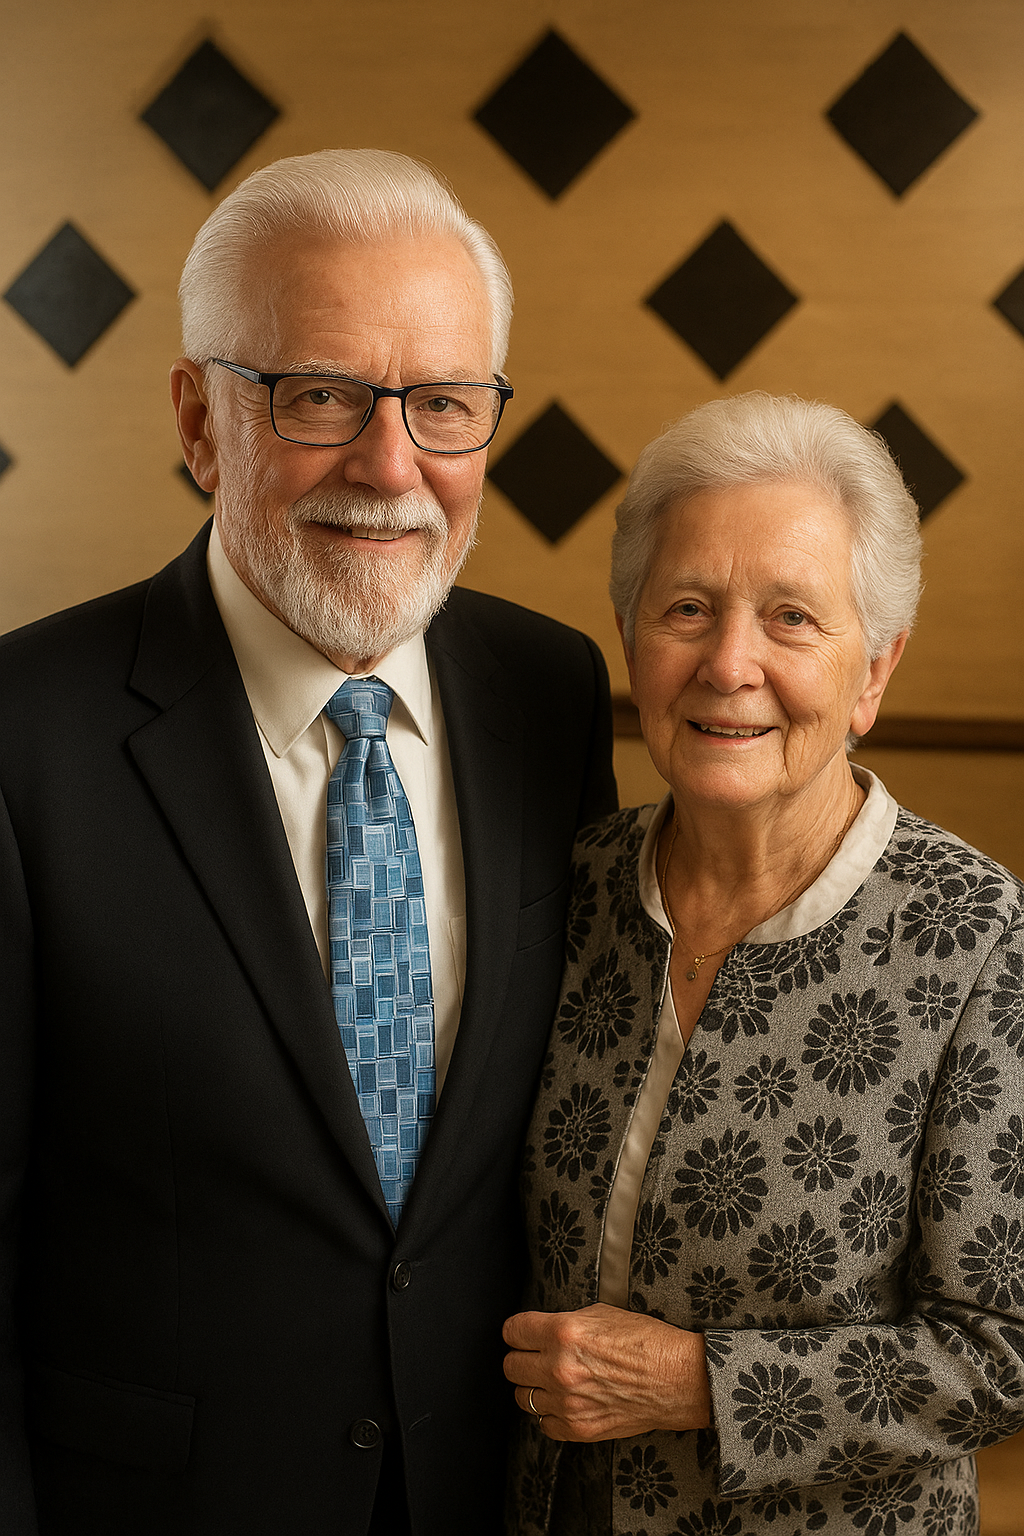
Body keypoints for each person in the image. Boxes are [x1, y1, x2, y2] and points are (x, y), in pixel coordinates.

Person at [0, 148, 616, 1535]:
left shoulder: (550, 691)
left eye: (444, 404)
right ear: (200, 419)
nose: (392, 468)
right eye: (321, 395)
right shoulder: (22, 737)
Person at [504, 392, 1024, 1535]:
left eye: (791, 618)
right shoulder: (563, 888)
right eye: (687, 608)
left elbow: (1002, 1349)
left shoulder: (977, 936)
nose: (728, 662)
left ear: (873, 671)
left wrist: (699, 1385)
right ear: (632, 637)